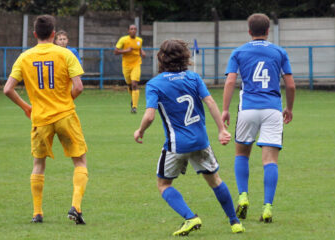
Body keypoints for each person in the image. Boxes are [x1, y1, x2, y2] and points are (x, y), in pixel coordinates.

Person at [134, 39, 245, 236]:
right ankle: (234, 222)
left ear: (161, 58)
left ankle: (191, 218)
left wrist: (140, 131)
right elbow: (210, 102)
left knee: (163, 184)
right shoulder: (194, 78)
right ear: (185, 57)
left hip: (177, 145)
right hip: (201, 141)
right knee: (215, 181)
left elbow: (150, 115)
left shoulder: (154, 84)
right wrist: (221, 129)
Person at [4, 15, 89, 225]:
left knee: (38, 164)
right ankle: (76, 207)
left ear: (34, 34)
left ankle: (37, 213)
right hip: (65, 115)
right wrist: (62, 102)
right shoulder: (65, 54)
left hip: (40, 118)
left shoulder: (25, 57)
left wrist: (26, 107)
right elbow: (78, 86)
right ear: (53, 34)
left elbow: (7, 89)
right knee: (80, 161)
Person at [222, 13, 296, 223]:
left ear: (249, 31)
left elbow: (229, 82)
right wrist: (289, 108)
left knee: (241, 154)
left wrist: (225, 110)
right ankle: (267, 208)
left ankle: (243, 196)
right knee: (270, 160)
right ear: (267, 31)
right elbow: (290, 84)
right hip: (272, 109)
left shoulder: (238, 52)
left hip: (247, 109)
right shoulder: (279, 52)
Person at [114, 24, 146, 114]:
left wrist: (142, 53)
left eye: (135, 29)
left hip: (136, 64)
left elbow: (139, 49)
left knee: (134, 83)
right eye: (131, 29)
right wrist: (126, 51)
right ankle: (133, 99)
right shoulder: (123, 40)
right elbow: (115, 51)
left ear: (136, 31)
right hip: (126, 66)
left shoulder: (139, 40)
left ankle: (134, 106)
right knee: (129, 85)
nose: (133, 30)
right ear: (128, 31)